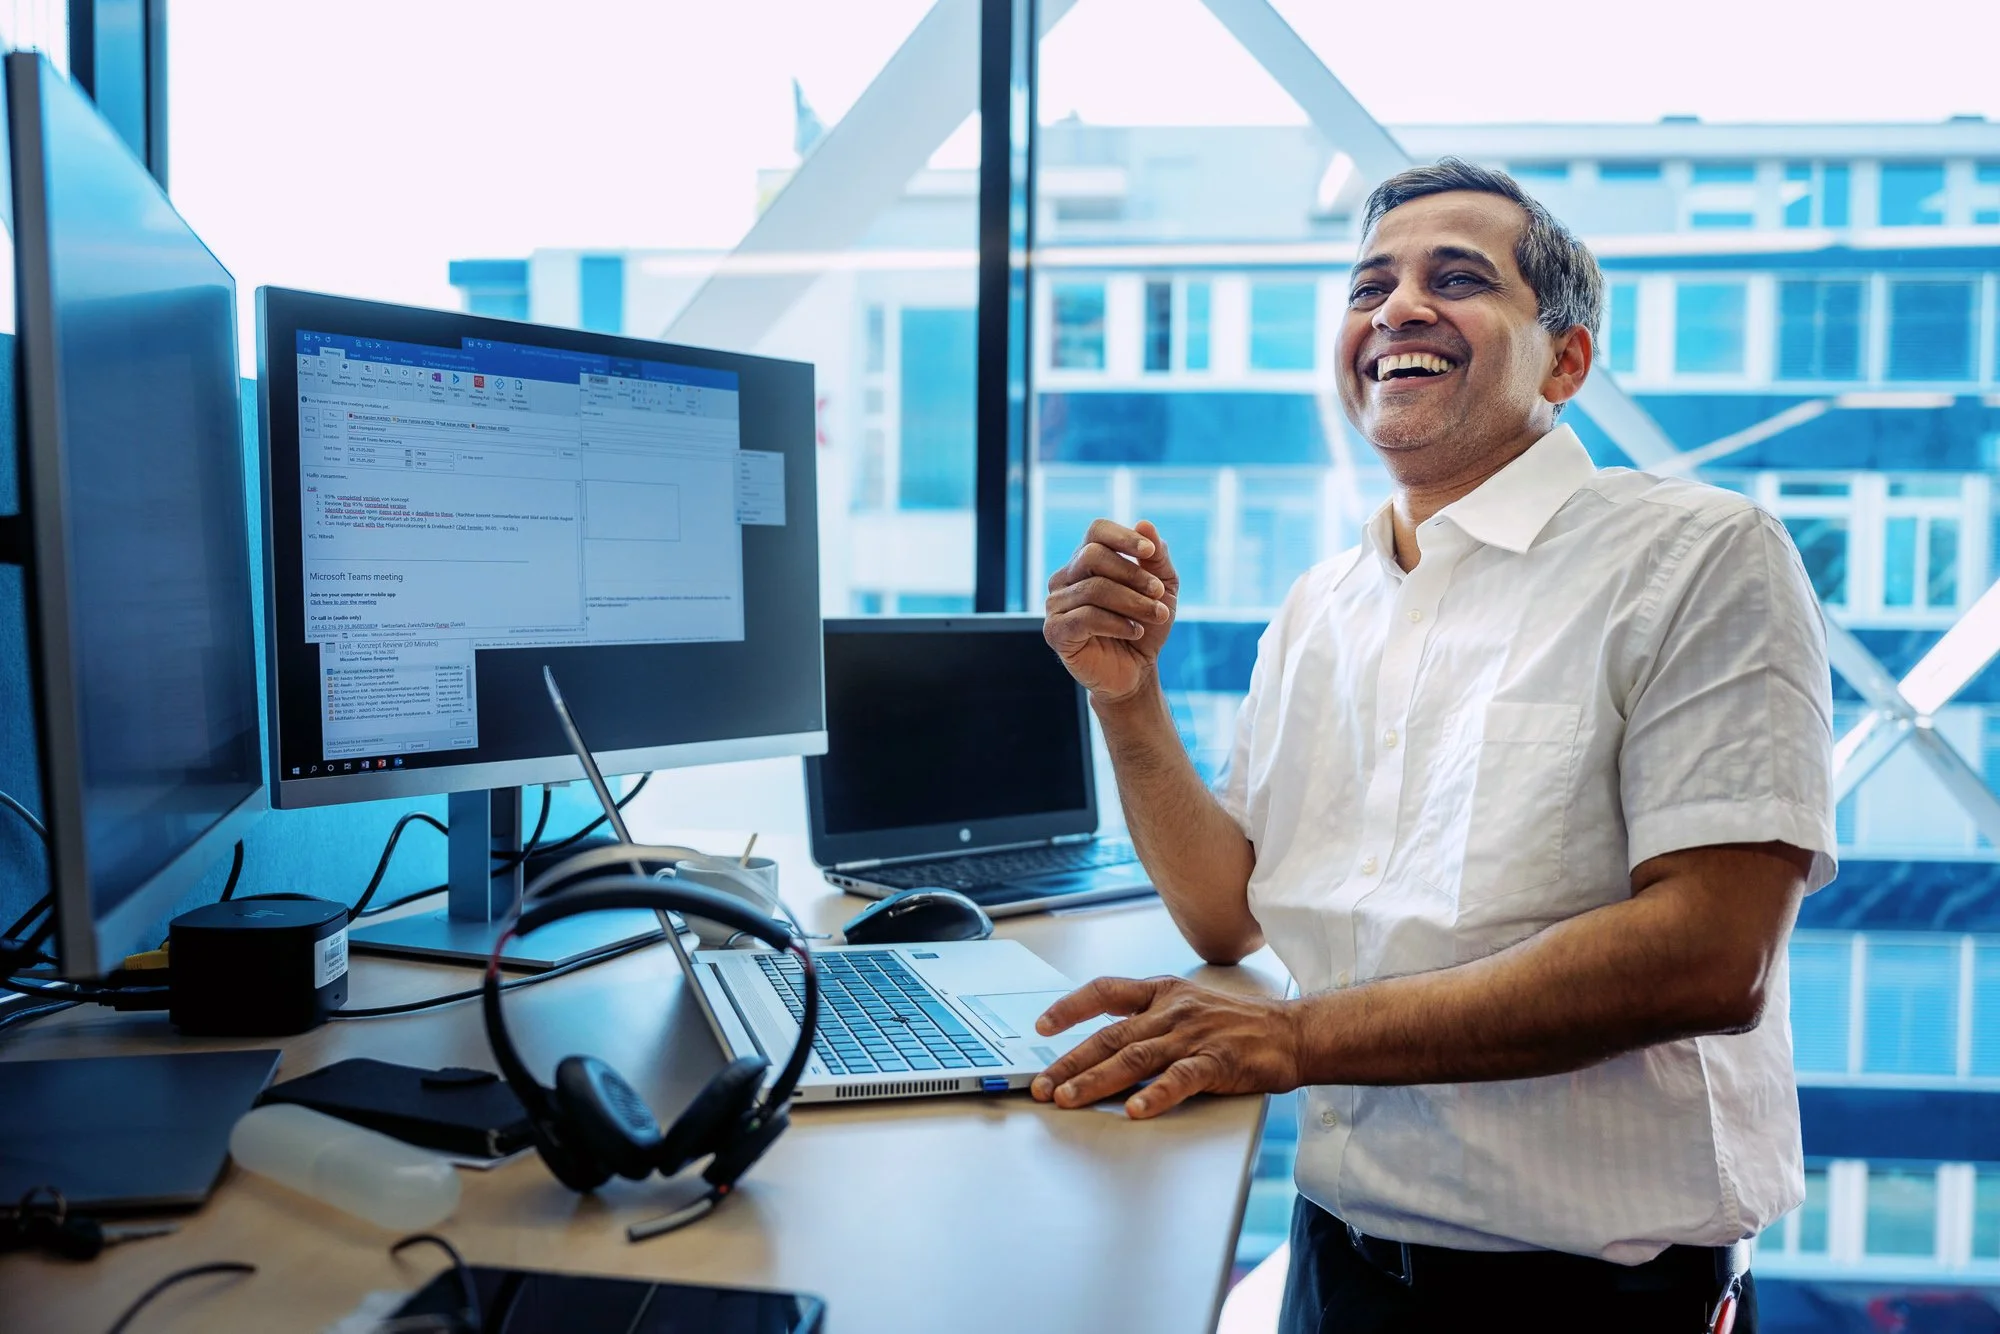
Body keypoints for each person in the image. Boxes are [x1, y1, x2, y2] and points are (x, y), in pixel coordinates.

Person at [1033, 158, 1834, 1333]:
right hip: (1338, 1264)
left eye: (1455, 278)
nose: (1394, 309)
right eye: (1367, 287)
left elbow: (1709, 955)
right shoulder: (1322, 602)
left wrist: (1295, 1035)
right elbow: (1225, 911)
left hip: (1592, 1300)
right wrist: (1125, 699)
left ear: (1563, 359)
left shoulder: (1699, 555)